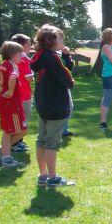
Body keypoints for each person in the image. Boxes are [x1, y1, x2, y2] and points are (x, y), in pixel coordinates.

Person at [30, 24, 75, 187]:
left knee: (41, 140)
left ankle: (43, 175)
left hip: (43, 103)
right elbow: (67, 80)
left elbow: (62, 69)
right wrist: (71, 80)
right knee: (51, 143)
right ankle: (52, 178)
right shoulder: (52, 57)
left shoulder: (39, 55)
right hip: (56, 104)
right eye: (60, 38)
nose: (63, 41)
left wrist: (67, 57)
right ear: (51, 40)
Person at [0, 41, 28, 168]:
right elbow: (12, 77)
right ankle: (6, 158)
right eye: (20, 53)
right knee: (12, 131)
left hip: (11, 104)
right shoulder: (10, 66)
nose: (22, 55)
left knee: (20, 130)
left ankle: (2, 151)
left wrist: (1, 88)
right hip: (11, 105)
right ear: (12, 54)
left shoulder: (5, 64)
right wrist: (9, 91)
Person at [9, 33, 35, 152]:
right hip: (23, 95)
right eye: (28, 44)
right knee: (22, 120)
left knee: (16, 120)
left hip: (15, 95)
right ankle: (15, 144)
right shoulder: (24, 59)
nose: (31, 46)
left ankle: (17, 142)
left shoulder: (11, 58)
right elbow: (28, 78)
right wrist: (35, 76)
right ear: (20, 46)